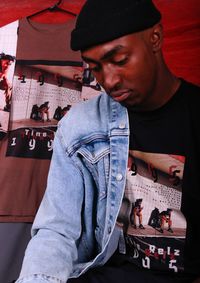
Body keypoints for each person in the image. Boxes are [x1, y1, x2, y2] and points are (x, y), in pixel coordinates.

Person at [16, 0, 200, 283]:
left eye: (120, 59)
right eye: (96, 68)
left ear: (155, 38)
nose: (109, 81)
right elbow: (57, 230)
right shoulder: (80, 126)